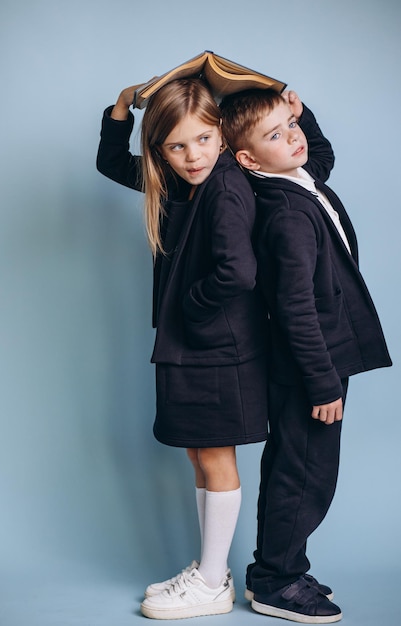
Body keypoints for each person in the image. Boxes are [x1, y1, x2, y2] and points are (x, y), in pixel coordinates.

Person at [96, 77, 269, 620]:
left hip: (220, 348)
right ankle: (208, 571)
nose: (193, 155)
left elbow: (238, 272)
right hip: (193, 347)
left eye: (203, 139)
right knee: (200, 450)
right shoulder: (177, 184)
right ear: (161, 150)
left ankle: (214, 582)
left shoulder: (225, 186)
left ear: (220, 134)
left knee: (215, 455)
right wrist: (122, 107)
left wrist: (189, 307)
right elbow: (110, 163)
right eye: (176, 145)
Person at [220, 88, 392, 623]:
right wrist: (321, 383)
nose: (292, 138)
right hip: (310, 368)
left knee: (303, 468)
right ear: (248, 159)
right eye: (275, 134)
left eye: (288, 126)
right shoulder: (285, 215)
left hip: (323, 359)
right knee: (304, 474)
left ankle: (284, 564)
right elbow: (293, 308)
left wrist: (299, 112)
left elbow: (320, 153)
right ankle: (275, 581)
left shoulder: (295, 177)